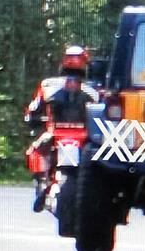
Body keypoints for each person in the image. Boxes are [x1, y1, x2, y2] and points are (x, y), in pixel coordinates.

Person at [25, 46, 99, 212]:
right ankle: (42, 184)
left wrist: (32, 120)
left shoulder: (47, 86)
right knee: (36, 151)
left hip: (57, 134)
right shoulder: (96, 89)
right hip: (84, 137)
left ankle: (41, 184)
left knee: (35, 151)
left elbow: (32, 111)